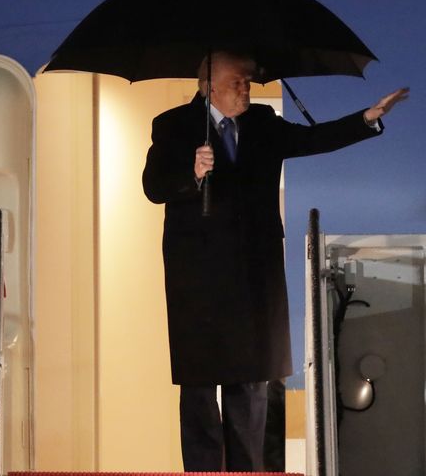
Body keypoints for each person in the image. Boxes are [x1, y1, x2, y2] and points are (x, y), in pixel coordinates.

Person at [142, 51, 408, 472]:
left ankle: (250, 471)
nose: (246, 88)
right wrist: (191, 172)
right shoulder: (173, 124)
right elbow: (154, 186)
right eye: (237, 82)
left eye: (248, 81)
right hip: (198, 277)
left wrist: (367, 117)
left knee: (250, 381)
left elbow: (311, 139)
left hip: (254, 270)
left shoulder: (263, 123)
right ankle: (204, 472)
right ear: (209, 85)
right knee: (198, 385)